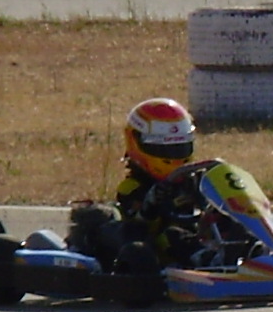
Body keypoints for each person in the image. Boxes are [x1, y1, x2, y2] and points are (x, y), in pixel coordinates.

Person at [67, 96, 216, 268]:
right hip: (153, 249)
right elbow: (138, 226)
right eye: (164, 148)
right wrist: (152, 204)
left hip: (196, 236)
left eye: (179, 147)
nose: (174, 155)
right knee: (171, 235)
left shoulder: (194, 180)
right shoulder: (132, 188)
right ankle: (205, 259)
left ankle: (246, 253)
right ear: (136, 142)